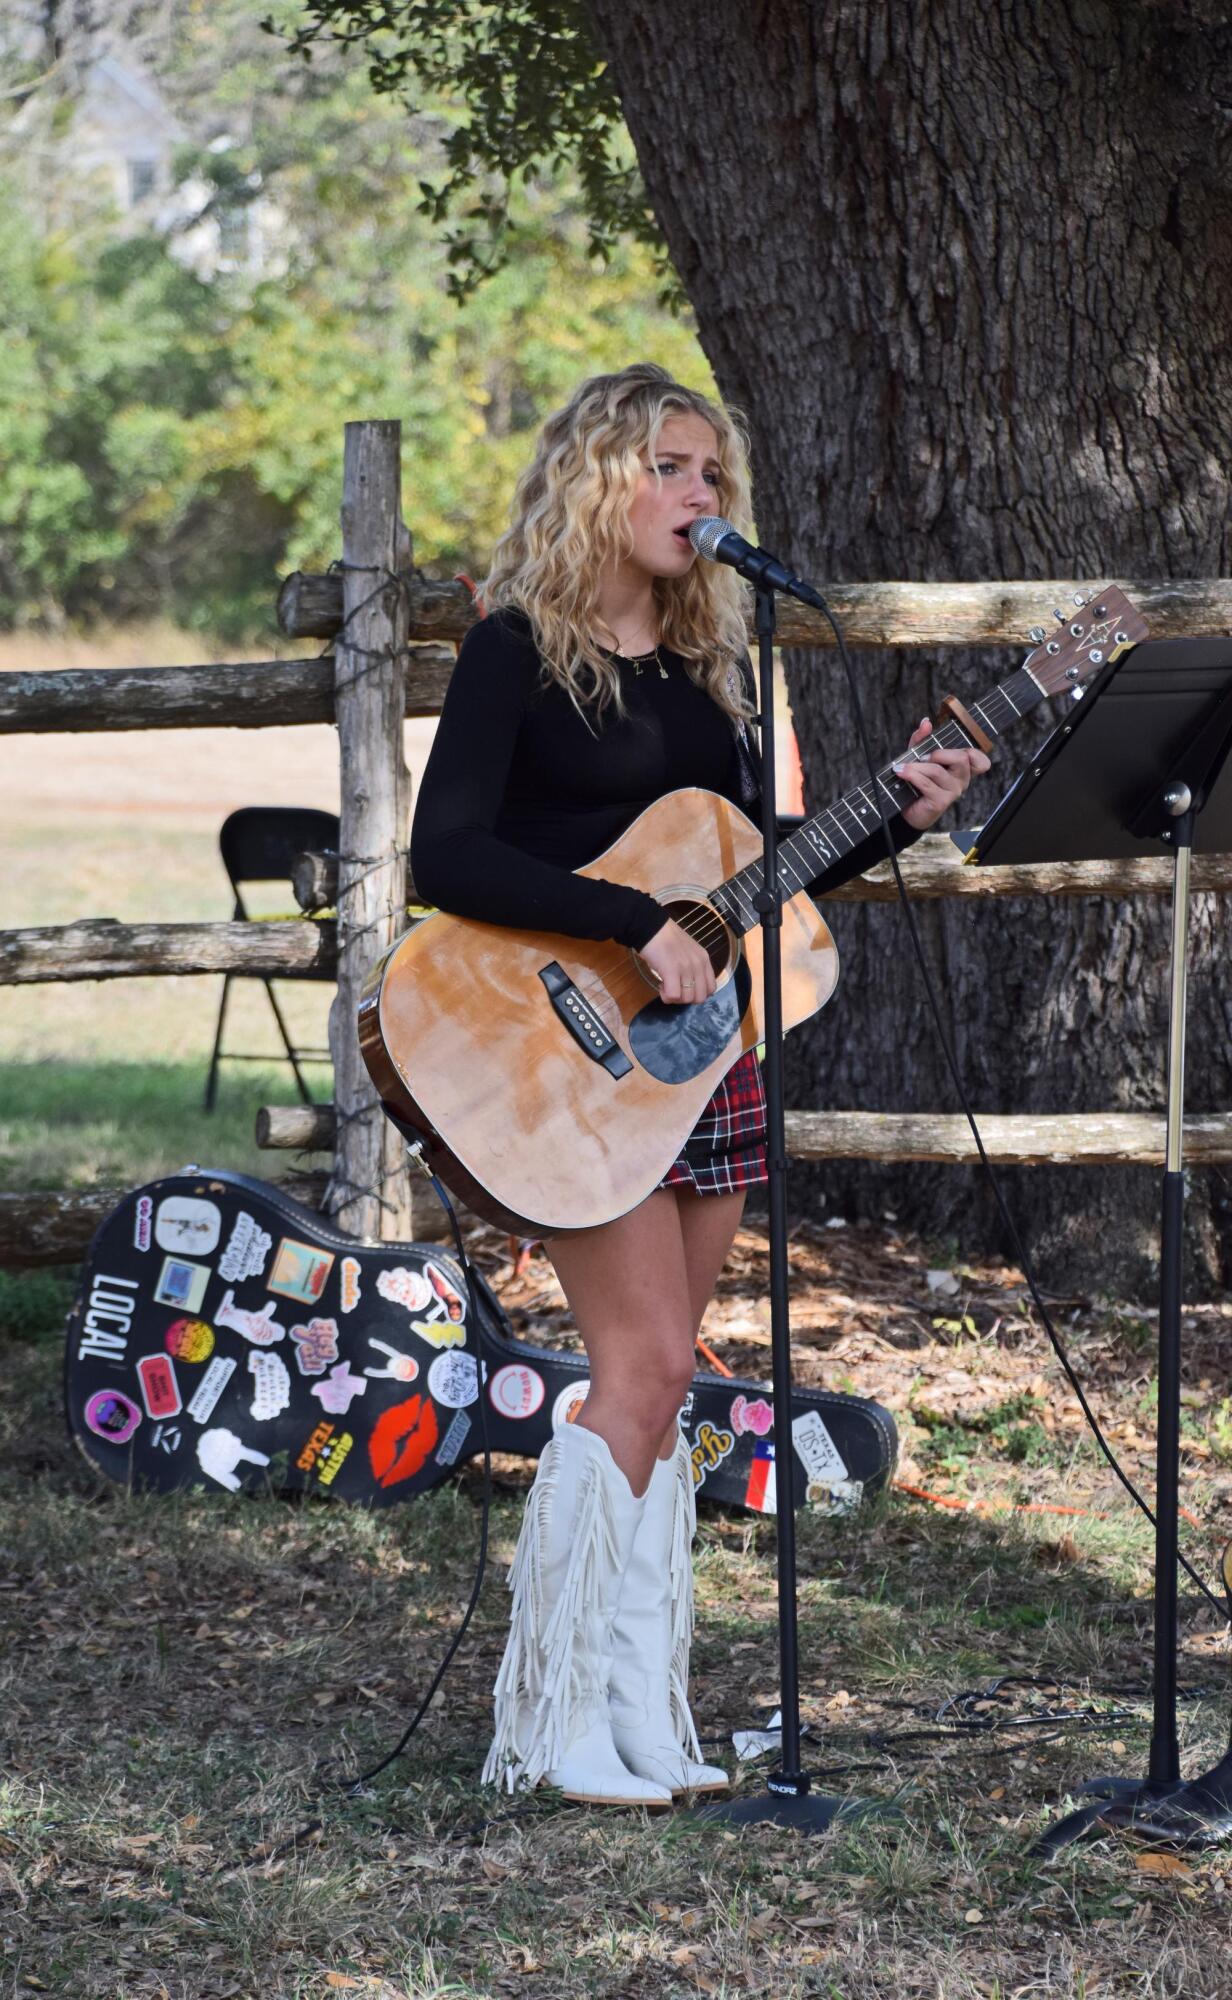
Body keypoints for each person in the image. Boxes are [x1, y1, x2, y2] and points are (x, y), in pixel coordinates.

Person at [409, 363, 989, 1807]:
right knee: (645, 1369)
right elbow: (447, 859)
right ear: (600, 477)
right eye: (672, 468)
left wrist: (889, 813)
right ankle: (547, 1720)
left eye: (713, 476)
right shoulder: (516, 651)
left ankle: (643, 1709)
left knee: (673, 1389)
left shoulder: (710, 669)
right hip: (560, 1058)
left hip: (698, 1064)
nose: (699, 497)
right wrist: (627, 927)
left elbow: (741, 875)